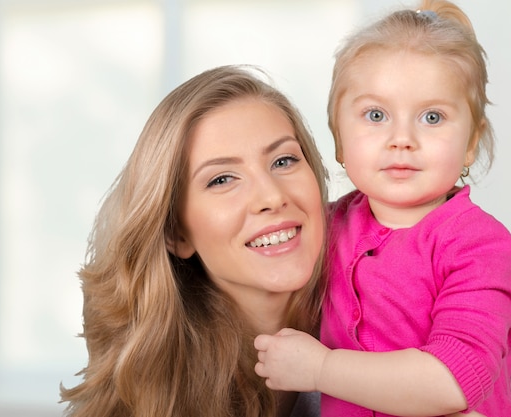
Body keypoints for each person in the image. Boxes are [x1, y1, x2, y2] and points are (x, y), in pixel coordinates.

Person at [254, 1, 511, 416]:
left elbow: (452, 381)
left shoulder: (479, 246)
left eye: (432, 117)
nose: (402, 138)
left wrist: (321, 368)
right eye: (375, 114)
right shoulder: (327, 226)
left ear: (471, 141)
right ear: (340, 139)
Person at [59, 65, 329, 417]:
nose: (272, 196)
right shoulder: (152, 385)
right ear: (176, 233)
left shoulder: (398, 330)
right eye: (221, 180)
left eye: (283, 160)